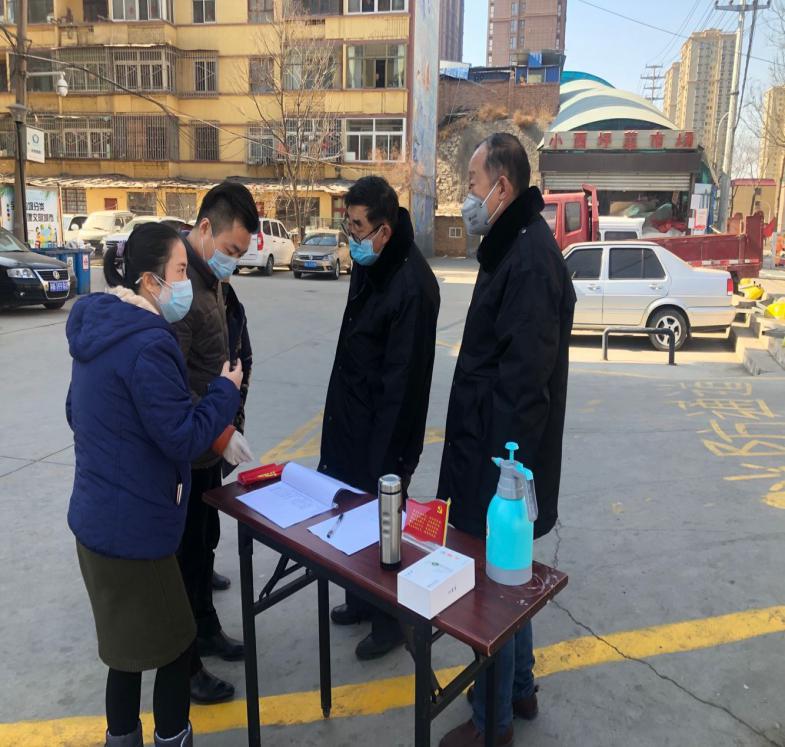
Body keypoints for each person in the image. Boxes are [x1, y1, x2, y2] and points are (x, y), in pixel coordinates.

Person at [66, 223, 245, 747]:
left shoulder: (99, 329)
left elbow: (77, 412)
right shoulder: (148, 343)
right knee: (175, 646)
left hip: (96, 522)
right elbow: (182, 437)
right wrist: (224, 392)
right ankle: (172, 737)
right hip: (135, 533)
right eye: (180, 271)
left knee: (123, 655)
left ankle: (121, 737)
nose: (186, 283)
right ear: (150, 280)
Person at [437, 133, 576, 747]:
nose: (466, 198)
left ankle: (491, 723)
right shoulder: (513, 247)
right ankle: (520, 689)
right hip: (493, 450)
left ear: (501, 186)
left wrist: (507, 487)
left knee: (492, 591)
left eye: (472, 185)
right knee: (510, 581)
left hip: (500, 463)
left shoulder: (529, 259)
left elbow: (524, 387)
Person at [319, 175, 440, 660]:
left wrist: (386, 462)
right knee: (352, 516)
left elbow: (403, 385)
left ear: (384, 230)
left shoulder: (413, 286)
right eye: (347, 224)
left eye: (357, 226)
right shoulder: (371, 261)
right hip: (353, 418)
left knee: (384, 526)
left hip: (385, 434)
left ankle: (390, 620)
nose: (350, 236)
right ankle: (361, 599)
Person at [172, 182, 259, 704]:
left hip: (209, 445)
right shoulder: (180, 288)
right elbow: (171, 384)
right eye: (230, 250)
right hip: (187, 450)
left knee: (204, 544)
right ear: (205, 228)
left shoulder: (212, 280)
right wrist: (220, 430)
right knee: (184, 559)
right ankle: (186, 666)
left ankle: (206, 627)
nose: (234, 263)